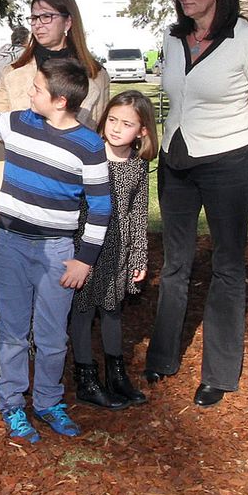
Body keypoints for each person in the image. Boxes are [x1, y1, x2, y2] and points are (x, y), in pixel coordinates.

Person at [0, 56, 111, 444]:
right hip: (11, 246)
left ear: (60, 101)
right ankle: (13, 402)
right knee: (13, 332)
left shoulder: (89, 146)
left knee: (52, 337)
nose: (29, 92)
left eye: (36, 89)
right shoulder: (18, 122)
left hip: (57, 252)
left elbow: (102, 208)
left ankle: (49, 401)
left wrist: (84, 260)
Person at [143, 0, 248, 407]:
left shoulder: (245, 37)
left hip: (229, 162)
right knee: (175, 263)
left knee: (227, 266)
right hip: (175, 162)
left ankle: (219, 374)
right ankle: (163, 356)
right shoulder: (171, 37)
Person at [0, 0, 111, 225]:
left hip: (68, 189)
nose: (38, 25)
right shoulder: (13, 72)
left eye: (46, 17)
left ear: (68, 22)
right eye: (33, 18)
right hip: (19, 188)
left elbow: (99, 134)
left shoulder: (96, 75)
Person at [68, 90, 158, 409]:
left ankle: (116, 375)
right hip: (85, 247)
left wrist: (139, 256)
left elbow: (137, 213)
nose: (116, 128)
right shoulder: (90, 156)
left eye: (127, 124)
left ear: (142, 131)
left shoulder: (137, 165)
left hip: (118, 250)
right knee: (82, 310)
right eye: (112, 120)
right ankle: (86, 378)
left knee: (111, 311)